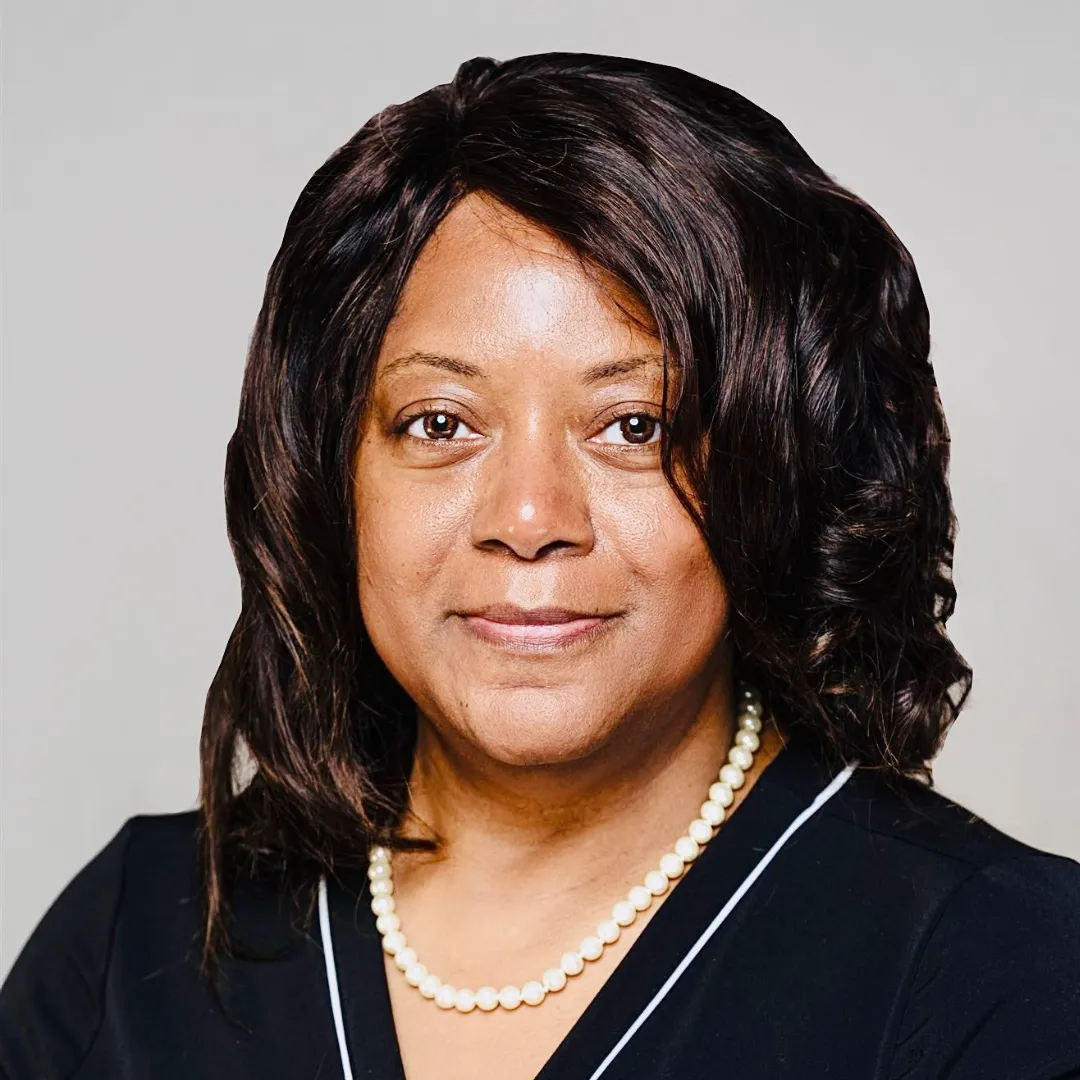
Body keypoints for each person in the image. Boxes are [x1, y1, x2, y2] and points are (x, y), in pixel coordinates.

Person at [1, 51, 1078, 1080]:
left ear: (780, 472)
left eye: (636, 427)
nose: (528, 519)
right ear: (333, 480)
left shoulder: (999, 969)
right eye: (438, 422)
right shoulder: (136, 943)